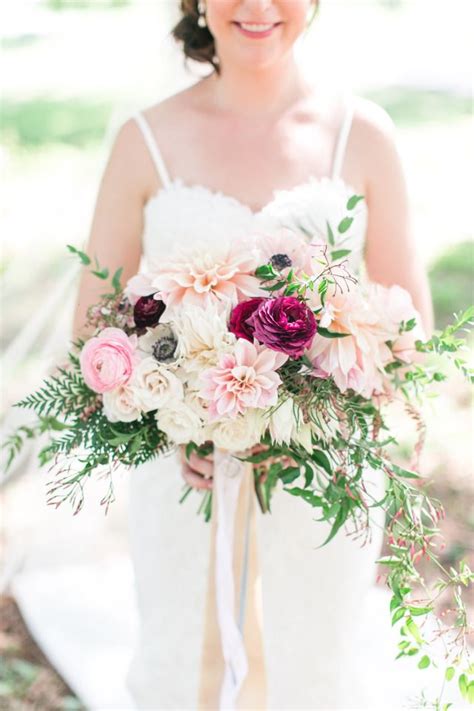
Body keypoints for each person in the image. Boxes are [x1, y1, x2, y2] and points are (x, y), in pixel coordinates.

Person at [72, 1, 439, 708]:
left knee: (314, 671)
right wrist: (173, 414)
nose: (261, 6)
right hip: (184, 485)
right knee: (186, 668)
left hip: (323, 485)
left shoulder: (361, 136)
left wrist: (317, 415)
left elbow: (408, 332)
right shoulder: (143, 140)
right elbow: (91, 331)